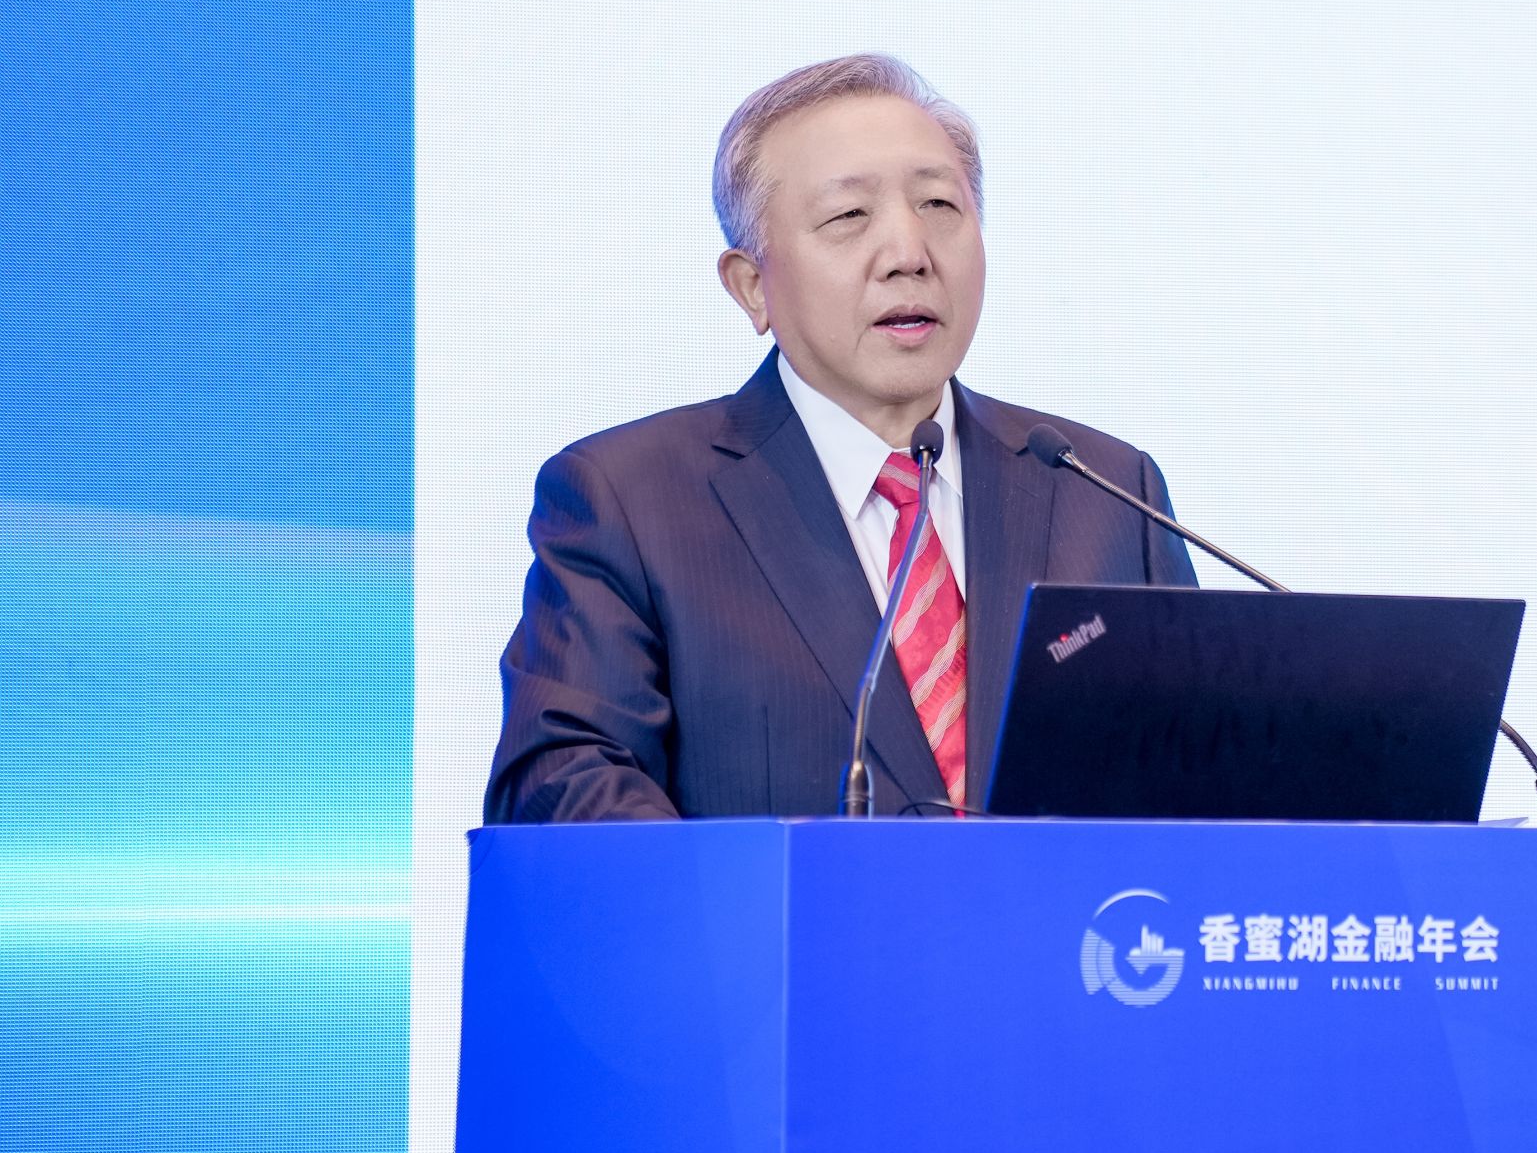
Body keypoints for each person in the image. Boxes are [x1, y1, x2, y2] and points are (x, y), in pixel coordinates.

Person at [486, 54, 1197, 821]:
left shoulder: (1105, 492)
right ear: (751, 285)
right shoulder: (630, 502)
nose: (909, 254)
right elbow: (563, 790)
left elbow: (1205, 778)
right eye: (849, 216)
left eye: (939, 205)